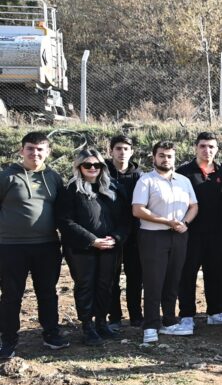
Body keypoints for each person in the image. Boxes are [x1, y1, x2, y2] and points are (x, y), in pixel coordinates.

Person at [0, 132, 69, 359]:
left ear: (48, 152)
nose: (35, 153)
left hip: (47, 246)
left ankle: (51, 335)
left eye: (40, 149)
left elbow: (63, 210)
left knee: (48, 293)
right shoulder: (7, 177)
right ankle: (8, 340)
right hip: (11, 247)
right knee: (12, 295)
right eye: (30, 148)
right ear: (22, 151)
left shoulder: (54, 178)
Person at [58, 149, 129, 345]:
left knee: (106, 285)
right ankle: (87, 326)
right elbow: (65, 221)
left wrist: (116, 238)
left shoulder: (112, 189)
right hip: (82, 248)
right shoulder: (71, 190)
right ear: (79, 167)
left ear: (102, 167)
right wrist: (91, 240)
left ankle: (101, 323)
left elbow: (126, 218)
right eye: (87, 165)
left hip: (110, 246)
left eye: (96, 165)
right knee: (86, 285)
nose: (92, 168)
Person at [132, 142, 198, 345]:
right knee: (154, 281)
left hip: (179, 235)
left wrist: (185, 223)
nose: (165, 159)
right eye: (161, 155)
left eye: (169, 156)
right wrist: (165, 221)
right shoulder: (146, 181)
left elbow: (194, 206)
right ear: (154, 157)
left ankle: (169, 320)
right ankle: (151, 325)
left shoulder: (184, 181)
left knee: (173, 279)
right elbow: (138, 210)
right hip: (153, 236)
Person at [176, 133, 222, 332]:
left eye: (211, 147)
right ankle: (186, 315)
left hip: (217, 234)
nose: (207, 150)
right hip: (190, 233)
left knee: (215, 273)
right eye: (202, 146)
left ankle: (215, 312)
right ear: (195, 148)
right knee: (187, 274)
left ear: (217, 149)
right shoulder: (183, 173)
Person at [107, 134, 142, 329]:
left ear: (132, 152)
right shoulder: (101, 172)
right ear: (110, 151)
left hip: (135, 234)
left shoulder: (140, 176)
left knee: (135, 276)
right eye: (118, 148)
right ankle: (114, 316)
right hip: (110, 233)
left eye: (126, 149)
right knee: (111, 277)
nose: (122, 152)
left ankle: (136, 315)